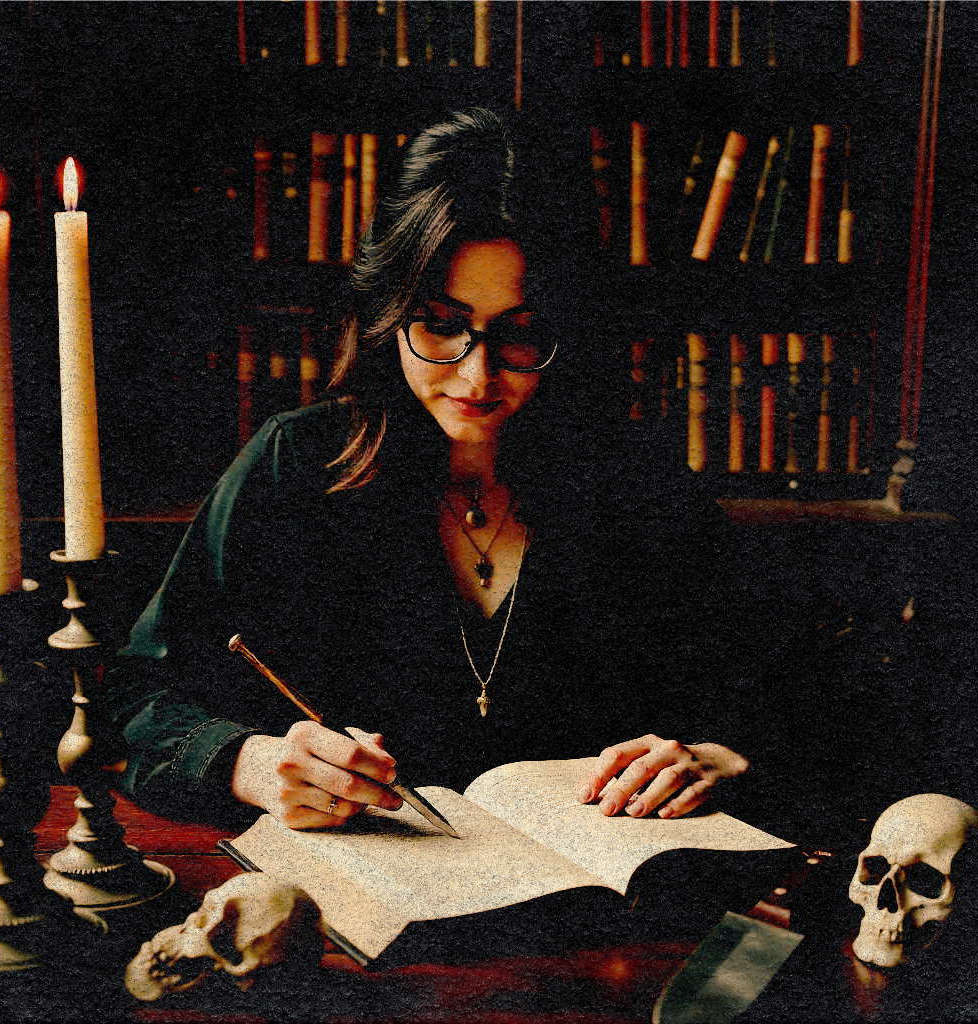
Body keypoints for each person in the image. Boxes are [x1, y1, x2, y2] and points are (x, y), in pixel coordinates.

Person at [107, 108, 749, 831]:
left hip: (608, 920)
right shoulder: (297, 463)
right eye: (442, 324)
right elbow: (134, 698)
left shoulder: (636, 480)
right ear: (388, 312)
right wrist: (247, 762)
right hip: (351, 910)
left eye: (520, 333)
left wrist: (720, 755)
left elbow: (801, 693)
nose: (476, 377)